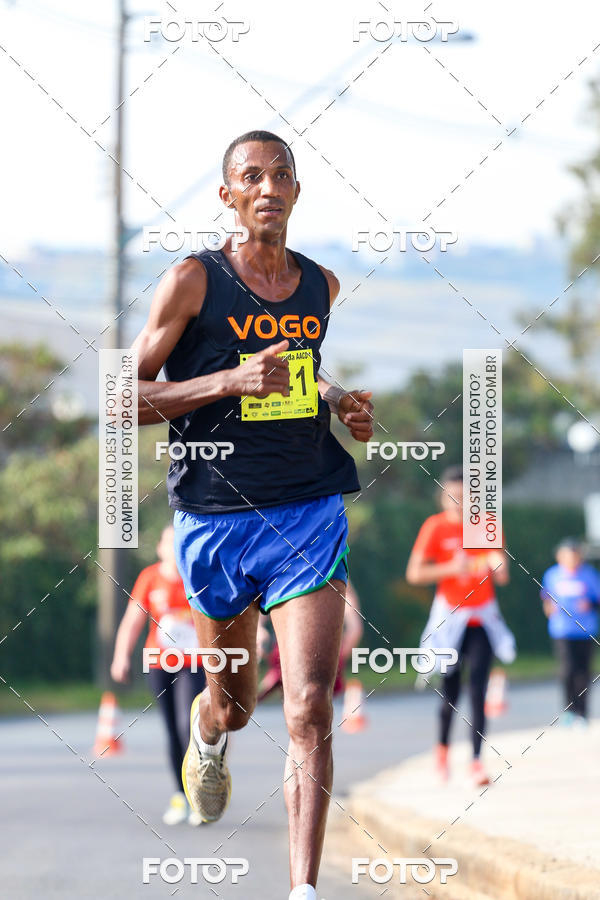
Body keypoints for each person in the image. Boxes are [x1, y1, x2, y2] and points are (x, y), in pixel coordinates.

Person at [132, 130, 374, 900]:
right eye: (251, 177)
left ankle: (302, 889)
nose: (268, 188)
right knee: (235, 707)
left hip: (308, 512)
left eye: (281, 176)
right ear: (227, 195)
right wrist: (227, 382)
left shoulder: (320, 286)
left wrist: (339, 400)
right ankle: (207, 734)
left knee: (308, 706)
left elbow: (302, 371)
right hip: (215, 519)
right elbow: (120, 398)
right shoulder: (191, 281)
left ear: (297, 191)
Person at [406, 465, 514, 787]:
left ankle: (477, 762)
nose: (459, 503)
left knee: (478, 689)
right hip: (449, 616)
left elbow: (501, 570)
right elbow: (414, 574)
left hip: (481, 616)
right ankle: (442, 753)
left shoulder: (487, 524)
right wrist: (452, 568)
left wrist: (498, 564)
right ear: (443, 498)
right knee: (449, 691)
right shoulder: (435, 527)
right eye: (453, 496)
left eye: (465, 497)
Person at [111, 525, 207, 825]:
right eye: (169, 542)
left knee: (187, 726)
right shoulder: (149, 578)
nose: (174, 547)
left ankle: (200, 794)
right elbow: (133, 619)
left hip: (193, 662)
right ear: (160, 548)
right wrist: (121, 655)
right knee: (171, 730)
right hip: (159, 662)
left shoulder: (197, 575)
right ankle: (180, 795)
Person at [256, 581, 364, 701]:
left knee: (314, 695)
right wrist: (259, 629)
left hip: (322, 649)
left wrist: (353, 626)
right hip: (288, 650)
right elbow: (268, 592)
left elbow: (347, 595)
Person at [540, 537, 599, 726]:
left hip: (585, 630)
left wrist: (589, 604)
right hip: (562, 630)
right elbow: (546, 596)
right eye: (568, 555)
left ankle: (582, 713)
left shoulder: (589, 575)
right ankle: (569, 710)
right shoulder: (552, 574)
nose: (571, 559)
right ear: (560, 557)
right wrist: (548, 607)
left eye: (575, 555)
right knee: (567, 671)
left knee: (583, 673)